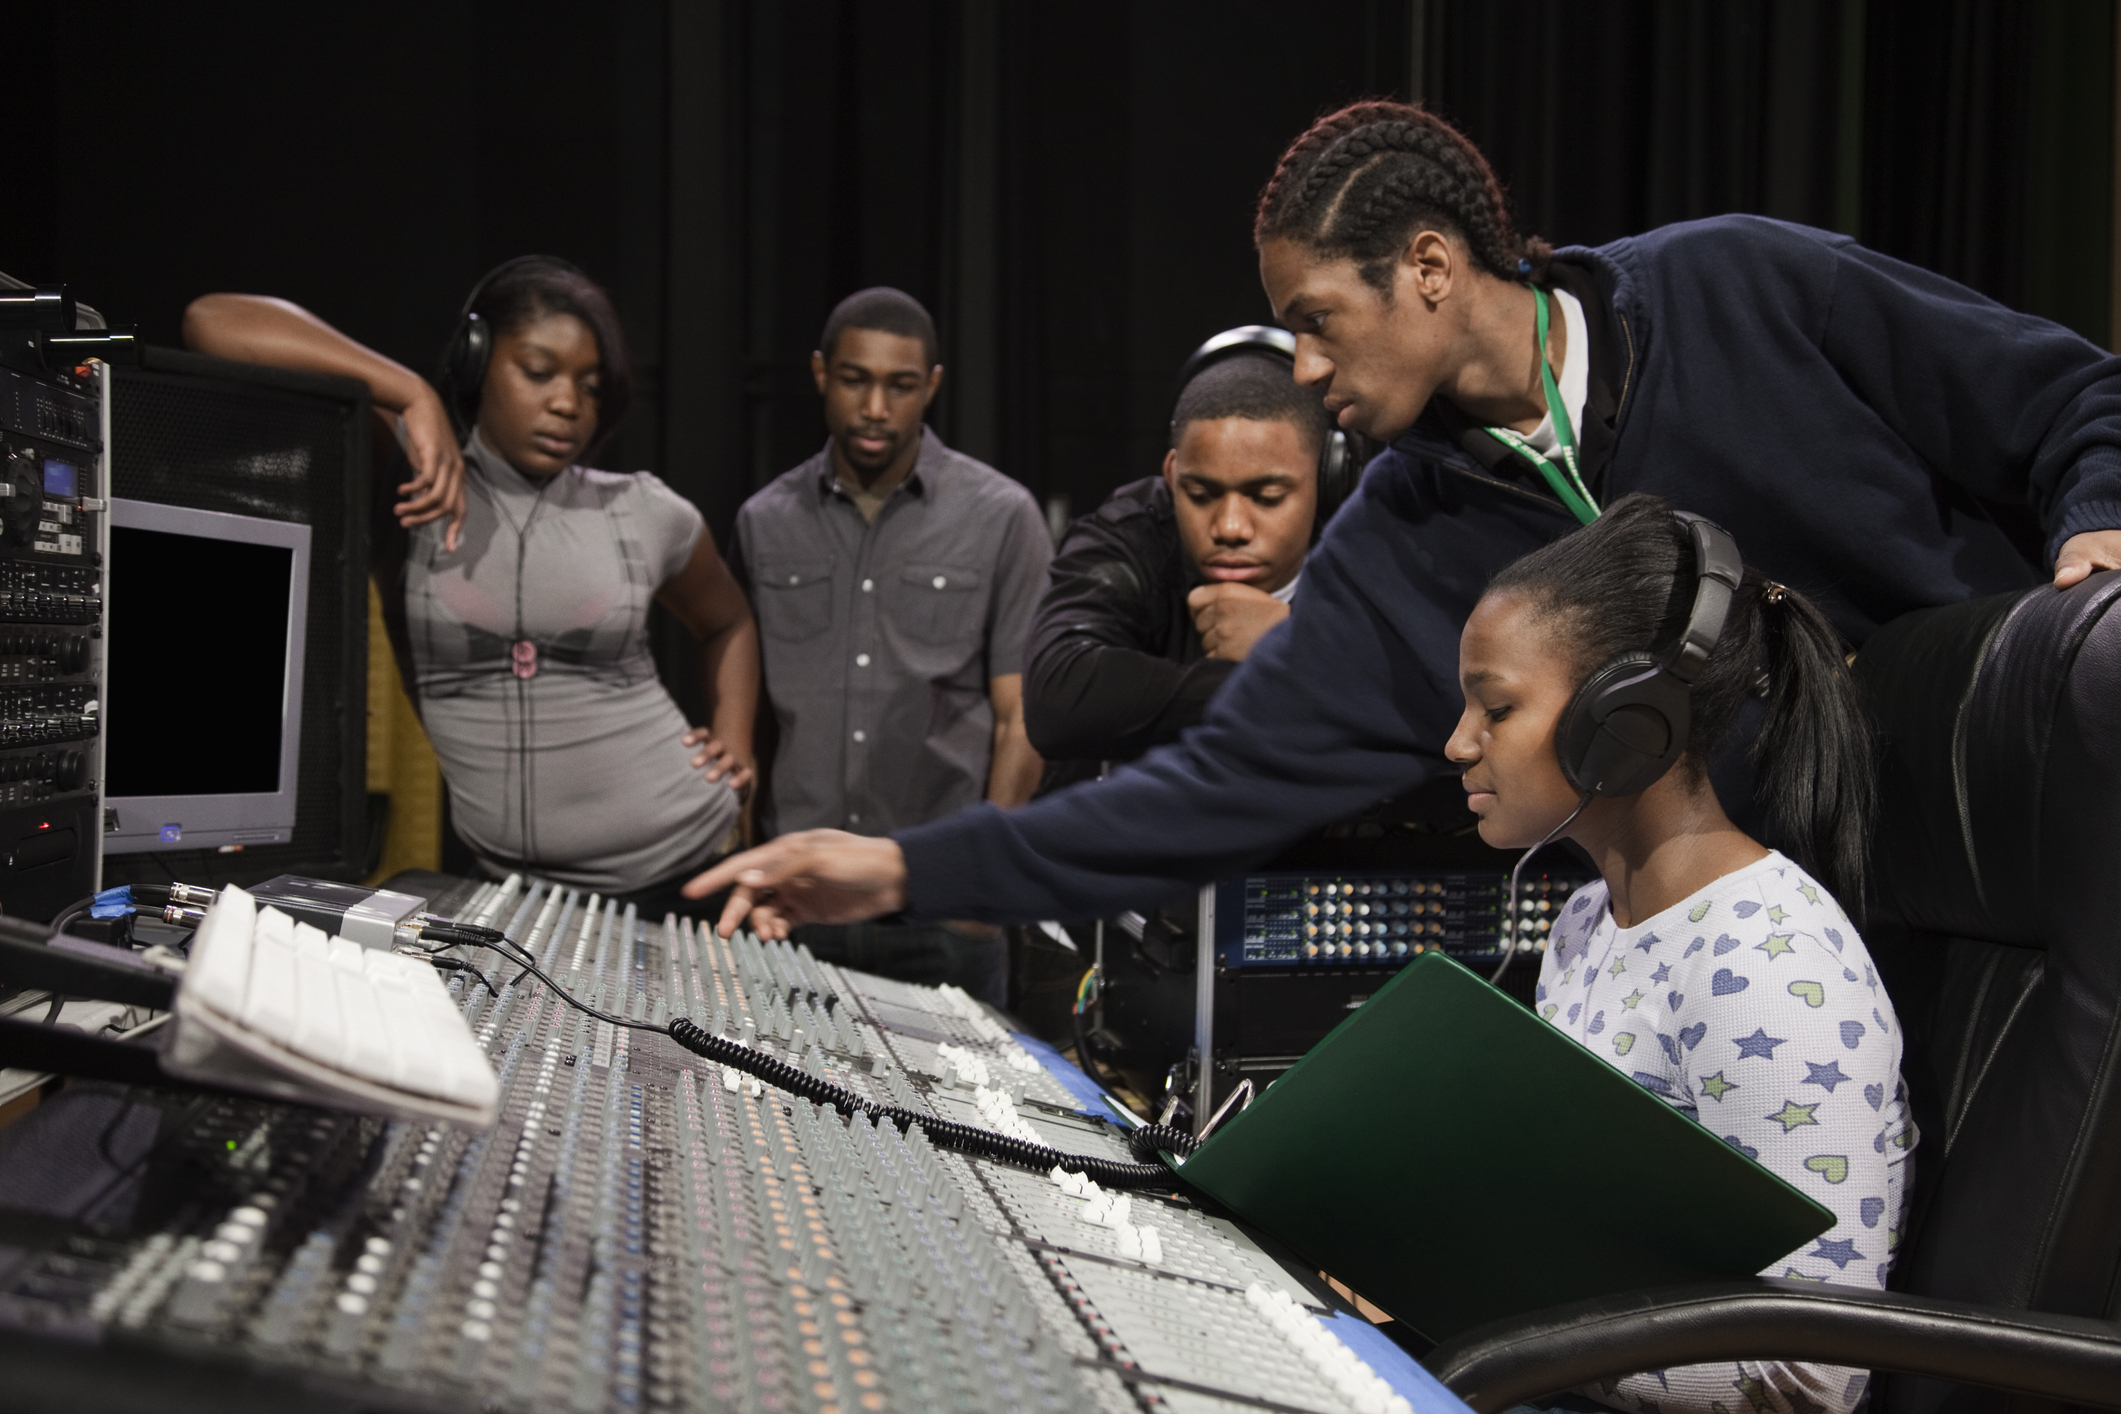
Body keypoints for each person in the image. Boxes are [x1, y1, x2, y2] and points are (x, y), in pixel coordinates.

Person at [684, 99, 2121, 946]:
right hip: (1800, 944)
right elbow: (1194, 802)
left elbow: (2071, 403)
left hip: (2035, 839)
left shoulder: (1746, 285)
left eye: (1316, 322)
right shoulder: (1394, 548)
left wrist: (2096, 538)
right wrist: (899, 866)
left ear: (1428, 268)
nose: (1300, 370)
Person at [1449, 496, 1910, 1414]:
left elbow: (1810, 1371)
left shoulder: (1774, 971)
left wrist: (1489, 1326)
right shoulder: (1587, 921)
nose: (1457, 743)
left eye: (1495, 708)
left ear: (1623, 722)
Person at [185, 257, 758, 908]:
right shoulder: (412, 478)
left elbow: (728, 621)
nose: (567, 403)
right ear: (478, 362)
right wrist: (410, 393)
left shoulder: (645, 510)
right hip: (516, 887)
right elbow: (213, 322)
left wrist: (734, 740)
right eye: (538, 373)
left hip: (694, 862)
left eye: (590, 386)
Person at [728, 286, 1051, 1001]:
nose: (876, 408)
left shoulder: (1000, 516)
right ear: (821, 374)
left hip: (936, 904)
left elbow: (1019, 716)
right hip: (796, 900)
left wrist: (981, 883)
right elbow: (744, 721)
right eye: (855, 380)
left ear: (931, 386)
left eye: (900, 386)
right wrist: (745, 858)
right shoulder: (764, 522)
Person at [1026, 348, 1326, 789]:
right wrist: (1290, 668)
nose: (1230, 528)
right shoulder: (1131, 535)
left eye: (1266, 498)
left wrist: (1298, 639)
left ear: (1324, 479)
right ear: (1171, 476)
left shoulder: (1369, 548)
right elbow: (1058, 699)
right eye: (1201, 494)